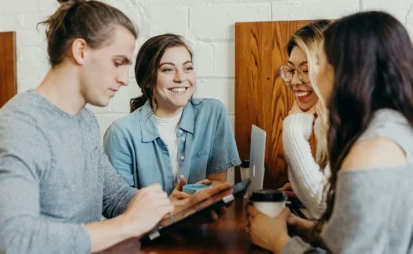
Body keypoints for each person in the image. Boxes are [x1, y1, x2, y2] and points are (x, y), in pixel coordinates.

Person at [0, 1, 229, 253]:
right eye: (117, 62)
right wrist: (128, 224)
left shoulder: (84, 120)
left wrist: (175, 209)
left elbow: (114, 197)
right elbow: (14, 238)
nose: (123, 79)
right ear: (80, 51)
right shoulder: (19, 125)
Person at [248, 11, 413, 253]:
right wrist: (302, 227)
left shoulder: (372, 149)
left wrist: (277, 242)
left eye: (319, 63)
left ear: (348, 70)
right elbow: (356, 234)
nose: (310, 75)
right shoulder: (391, 127)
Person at [103, 33, 241, 195]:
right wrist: (173, 207)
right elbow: (119, 202)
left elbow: (218, 181)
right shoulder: (121, 133)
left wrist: (201, 195)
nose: (181, 78)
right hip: (151, 221)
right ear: (148, 80)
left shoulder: (212, 113)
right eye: (168, 69)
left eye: (188, 68)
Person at [279, 20, 331, 219]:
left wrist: (292, 129)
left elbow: (322, 208)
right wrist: (302, 191)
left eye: (306, 69)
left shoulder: (350, 123)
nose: (294, 81)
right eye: (291, 70)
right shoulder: (324, 122)